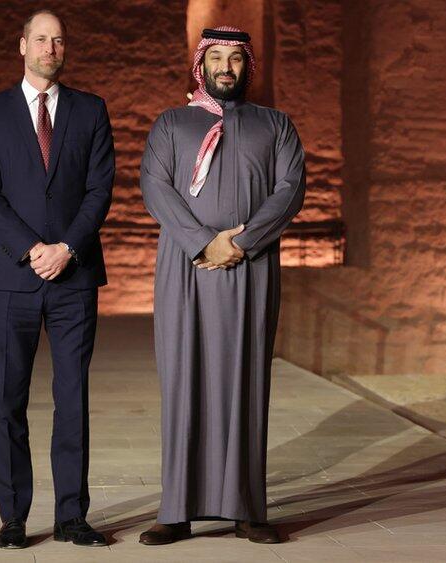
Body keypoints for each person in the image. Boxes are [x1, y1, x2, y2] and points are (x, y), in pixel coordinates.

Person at [137, 25, 306, 545]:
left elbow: (290, 189)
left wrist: (243, 242)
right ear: (201, 64)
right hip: (185, 267)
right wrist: (202, 243)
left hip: (251, 267)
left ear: (247, 65)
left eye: (235, 58)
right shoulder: (171, 124)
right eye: (217, 58)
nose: (225, 67)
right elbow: (155, 186)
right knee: (182, 379)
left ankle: (247, 509)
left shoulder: (275, 125)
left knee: (245, 380)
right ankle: (176, 510)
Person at [0, 9, 113, 550]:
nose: (51, 48)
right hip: (13, 277)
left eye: (59, 40)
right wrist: (33, 250)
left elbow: (100, 189)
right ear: (22, 45)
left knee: (73, 398)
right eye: (41, 39)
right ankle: (13, 518)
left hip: (75, 277)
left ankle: (73, 516)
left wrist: (67, 248)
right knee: (8, 398)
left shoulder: (91, 110)